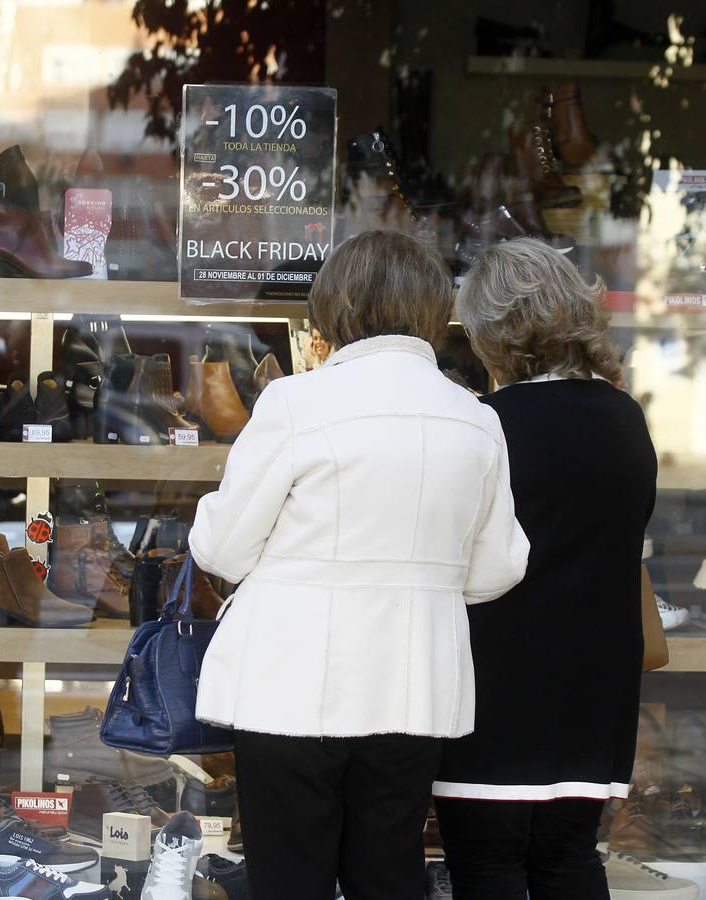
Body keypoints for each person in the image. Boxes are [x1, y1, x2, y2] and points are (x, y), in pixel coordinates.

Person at [189, 229, 529, 900]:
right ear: (434, 308)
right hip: (411, 684)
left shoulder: (295, 403)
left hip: (288, 683)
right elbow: (497, 568)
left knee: (289, 878)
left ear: (334, 307)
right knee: (388, 874)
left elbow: (221, 549)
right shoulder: (473, 417)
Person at [434, 237, 658, 899]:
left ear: (492, 333)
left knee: (486, 865)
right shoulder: (625, 420)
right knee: (569, 859)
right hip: (594, 699)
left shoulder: (486, 426)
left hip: (494, 692)